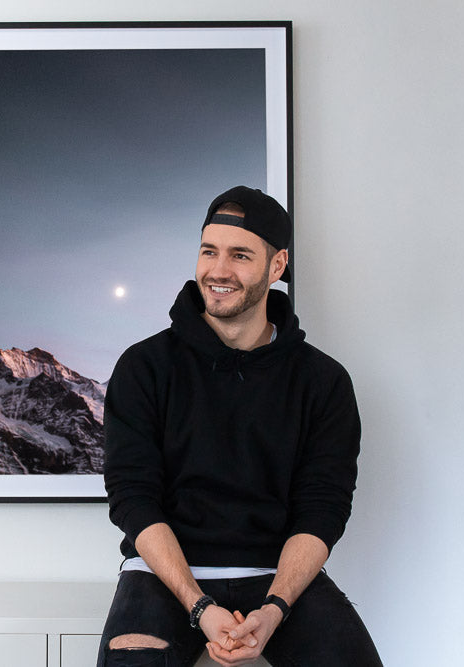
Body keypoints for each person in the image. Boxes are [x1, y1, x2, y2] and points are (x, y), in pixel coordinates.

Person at [99, 186, 382, 666]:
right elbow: (133, 497)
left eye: (240, 255)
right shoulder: (143, 366)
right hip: (163, 576)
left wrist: (274, 609)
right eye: (208, 251)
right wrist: (200, 606)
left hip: (278, 577)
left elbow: (323, 508)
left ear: (276, 267)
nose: (218, 271)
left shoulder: (323, 381)